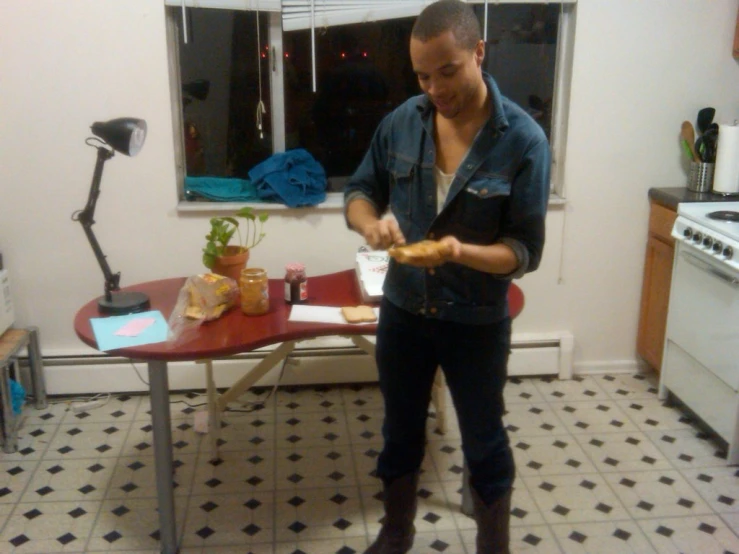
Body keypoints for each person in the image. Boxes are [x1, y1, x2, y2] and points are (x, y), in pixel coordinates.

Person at [343, 1, 550, 553]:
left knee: (484, 439)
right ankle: (396, 532)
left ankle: (493, 544)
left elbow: (523, 252)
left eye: (448, 70)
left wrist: (459, 252)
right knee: (399, 430)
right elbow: (359, 192)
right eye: (422, 75)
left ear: (479, 52)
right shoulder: (402, 122)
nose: (435, 87)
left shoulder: (523, 141)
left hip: (476, 321)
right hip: (405, 312)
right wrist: (370, 227)